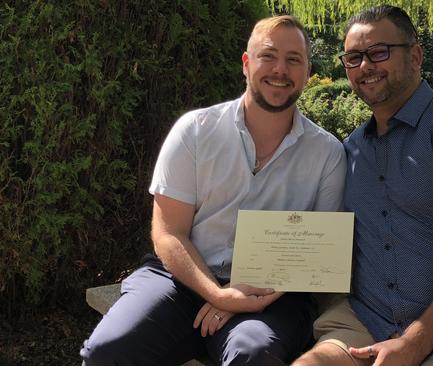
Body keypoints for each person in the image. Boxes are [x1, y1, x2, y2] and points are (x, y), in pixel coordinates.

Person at [80, 14, 346, 366]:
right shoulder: (195, 131)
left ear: (307, 71)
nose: (280, 69)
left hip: (273, 295)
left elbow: (317, 252)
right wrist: (219, 294)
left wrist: (249, 299)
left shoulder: (327, 153)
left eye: (293, 59)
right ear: (246, 64)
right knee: (108, 350)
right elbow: (168, 233)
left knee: (253, 354)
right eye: (268, 56)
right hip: (179, 280)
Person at [293, 5, 433, 366]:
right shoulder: (351, 149)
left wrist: (414, 342)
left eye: (379, 52)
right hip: (366, 321)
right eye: (354, 58)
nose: (365, 66)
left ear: (415, 55)